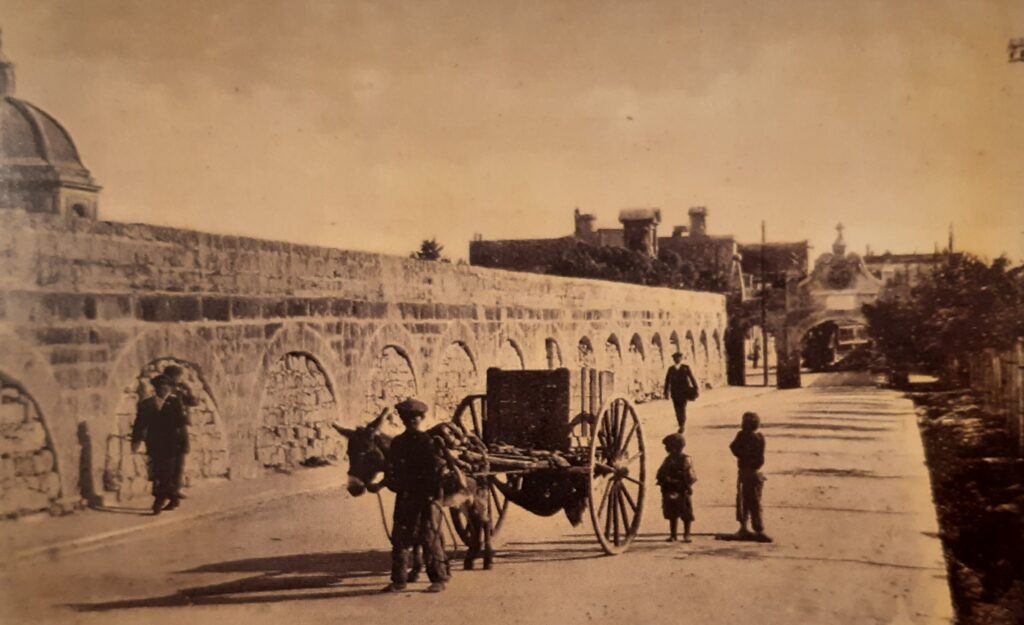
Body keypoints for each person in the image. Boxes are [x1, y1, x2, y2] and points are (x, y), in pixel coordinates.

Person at [381, 398, 450, 594]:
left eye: (415, 418)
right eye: (407, 418)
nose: (411, 421)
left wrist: (433, 496)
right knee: (400, 538)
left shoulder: (429, 442)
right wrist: (388, 483)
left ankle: (439, 578)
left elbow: (437, 472)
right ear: (403, 421)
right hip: (405, 497)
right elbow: (391, 469)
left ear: (421, 419)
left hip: (426, 498)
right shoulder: (398, 443)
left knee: (429, 537)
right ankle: (399, 580)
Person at [131, 375, 190, 515]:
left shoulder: (175, 402)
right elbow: (139, 424)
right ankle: (174, 497)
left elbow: (182, 425)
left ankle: (158, 502)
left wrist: (184, 444)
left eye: (165, 388)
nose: (162, 390)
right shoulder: (147, 404)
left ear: (169, 388)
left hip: (172, 445)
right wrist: (136, 440)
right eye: (159, 388)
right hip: (155, 444)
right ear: (155, 389)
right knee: (158, 473)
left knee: (165, 475)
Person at [729, 411, 771, 542]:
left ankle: (744, 527)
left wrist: (742, 456)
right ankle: (758, 528)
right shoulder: (760, 438)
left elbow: (733, 447)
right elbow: (761, 457)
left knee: (743, 500)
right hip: (755, 472)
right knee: (755, 501)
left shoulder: (741, 436)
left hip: (744, 471)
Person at [161, 365, 197, 501]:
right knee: (169, 462)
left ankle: (176, 489)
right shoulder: (162, 389)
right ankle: (167, 491)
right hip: (167, 430)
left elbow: (193, 402)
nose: (179, 379)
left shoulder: (180, 390)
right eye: (177, 376)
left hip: (181, 428)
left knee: (180, 460)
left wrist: (188, 390)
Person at [656, 433, 697, 543]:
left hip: (681, 489)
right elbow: (661, 472)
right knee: (672, 513)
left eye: (668, 446)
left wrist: (685, 484)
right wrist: (663, 479)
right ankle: (673, 535)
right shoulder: (668, 459)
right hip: (670, 488)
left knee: (686, 513)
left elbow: (691, 475)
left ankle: (686, 535)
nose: (666, 449)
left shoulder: (685, 459)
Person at [664, 352, 699, 431]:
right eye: (675, 358)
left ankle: (682, 424)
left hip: (683, 392)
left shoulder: (685, 367)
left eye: (679, 358)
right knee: (676, 409)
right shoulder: (671, 369)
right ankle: (680, 423)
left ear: (681, 359)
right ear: (673, 359)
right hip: (675, 392)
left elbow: (691, 378)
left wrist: (696, 388)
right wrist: (666, 392)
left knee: (682, 408)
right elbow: (667, 381)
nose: (677, 359)